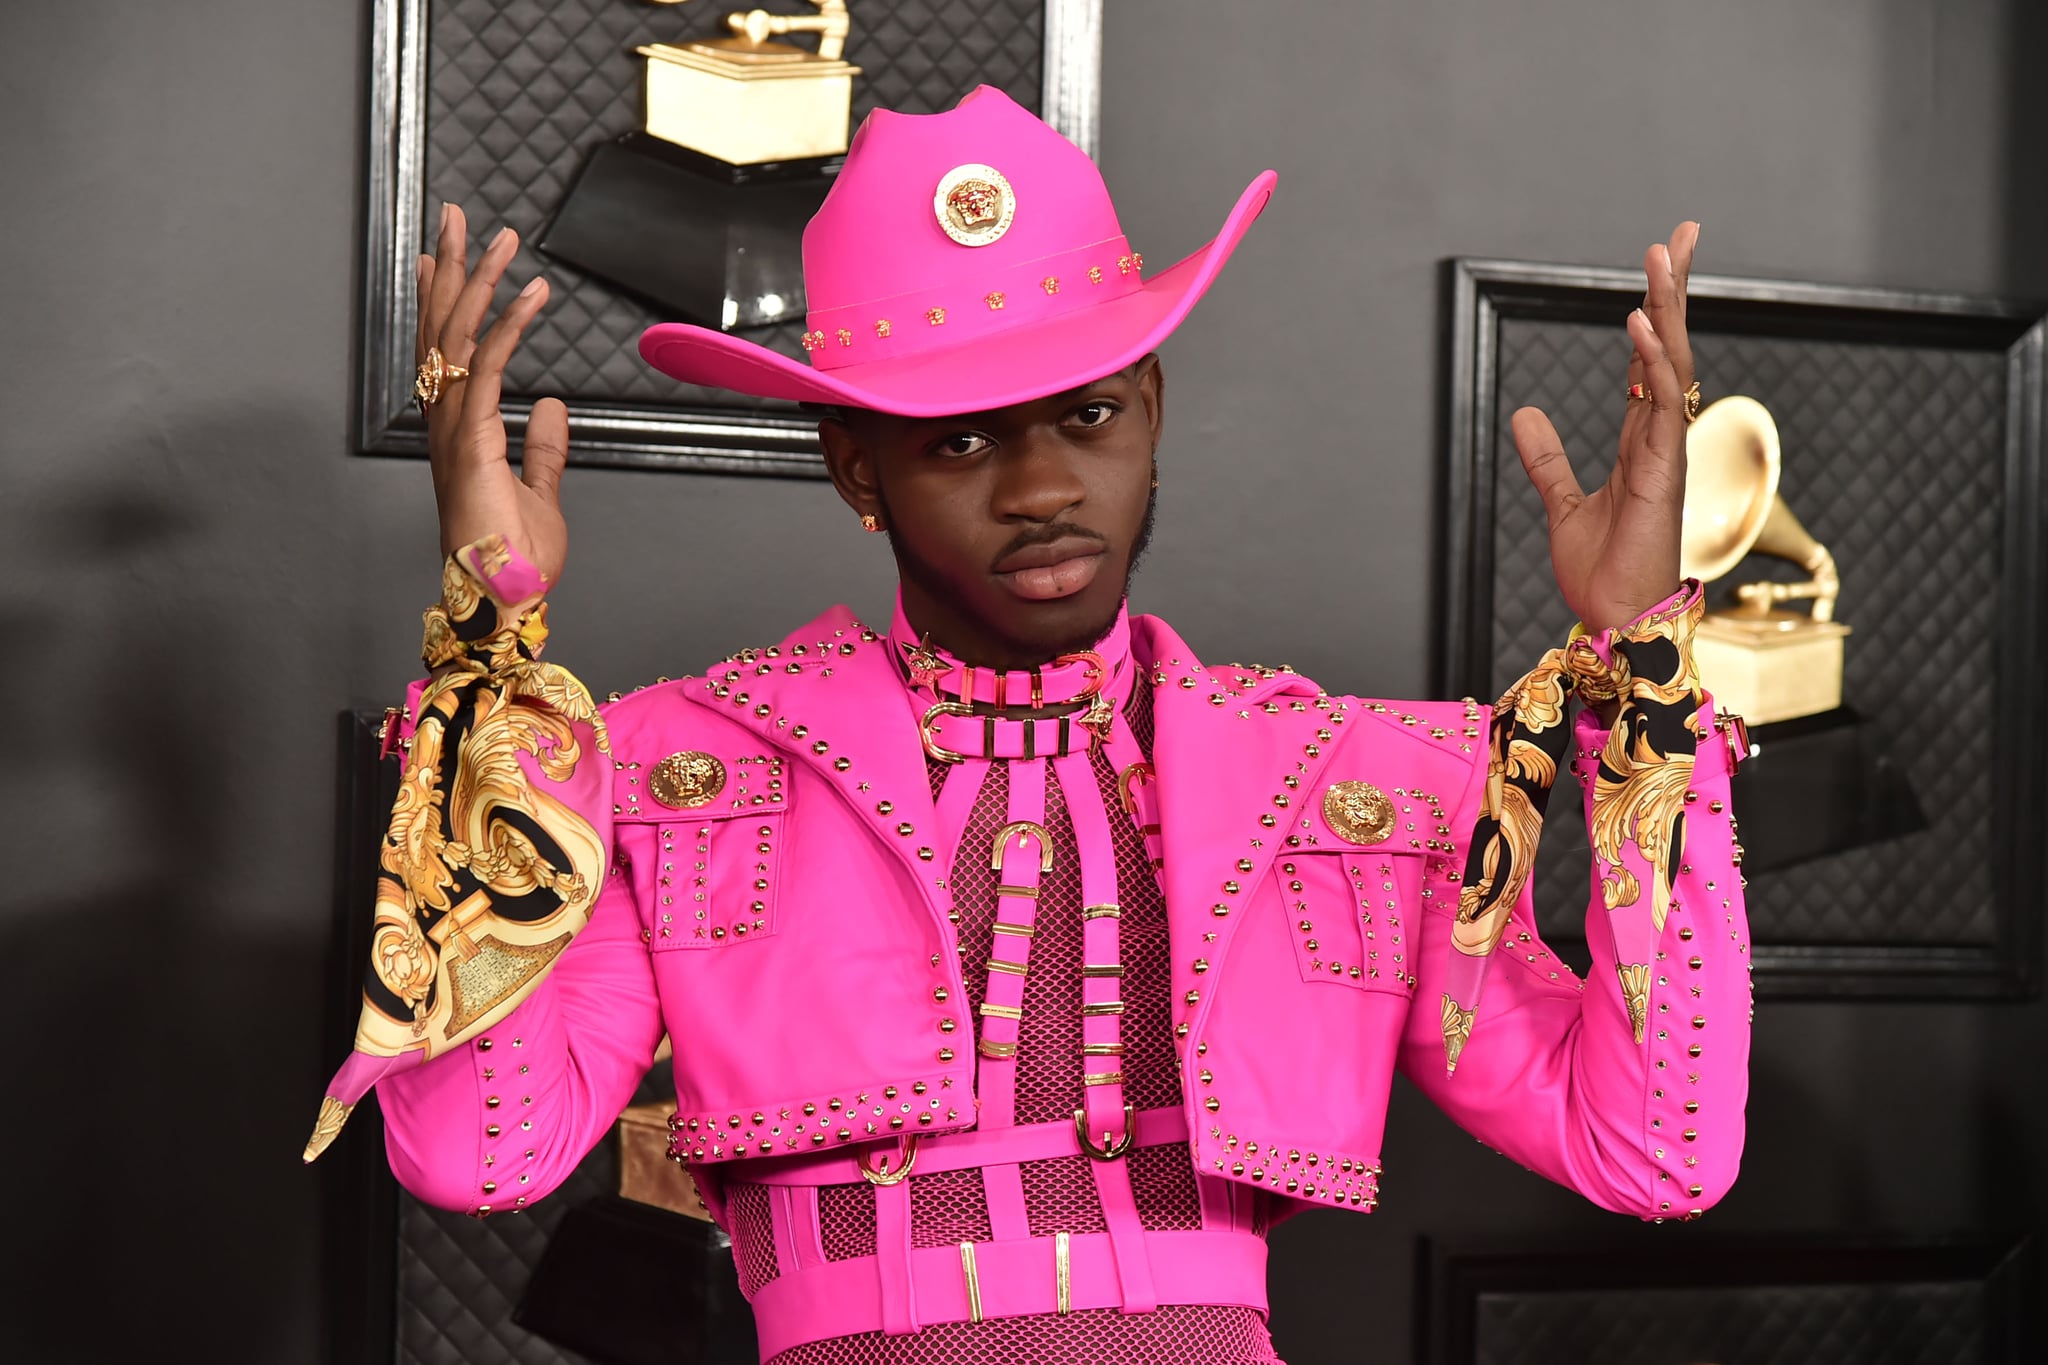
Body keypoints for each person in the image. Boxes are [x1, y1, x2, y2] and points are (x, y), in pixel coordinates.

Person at [305, 87, 1751, 1365]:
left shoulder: (1350, 784)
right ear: (854, 468)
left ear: (1156, 411)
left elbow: (1653, 1147)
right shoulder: (692, 772)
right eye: (963, 440)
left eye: (1092, 415)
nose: (1043, 488)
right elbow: (479, 1152)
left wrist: (1644, 671)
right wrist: (486, 663)